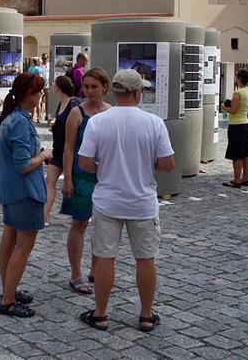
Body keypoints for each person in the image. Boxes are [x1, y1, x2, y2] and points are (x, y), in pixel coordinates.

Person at [76, 69, 175, 332]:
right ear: (137, 92)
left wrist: (103, 168)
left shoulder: (98, 122)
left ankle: (100, 314)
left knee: (105, 258)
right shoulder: (154, 123)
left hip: (108, 200)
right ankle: (146, 315)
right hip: (142, 202)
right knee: (145, 259)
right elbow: (168, 164)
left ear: (114, 91)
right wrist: (149, 163)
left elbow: (84, 162)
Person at [0, 73, 52, 318]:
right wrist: (44, 155)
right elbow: (23, 165)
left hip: (11, 190)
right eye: (39, 92)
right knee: (23, 246)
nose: (41, 96)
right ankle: (8, 300)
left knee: (9, 240)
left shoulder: (11, 118)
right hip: (25, 192)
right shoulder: (19, 122)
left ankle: (8, 289)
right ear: (30, 94)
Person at [60, 67, 111, 295]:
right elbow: (68, 148)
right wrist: (67, 178)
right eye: (86, 87)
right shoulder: (77, 113)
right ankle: (75, 273)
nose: (89, 91)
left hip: (105, 177)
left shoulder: (111, 113)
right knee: (79, 223)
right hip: (81, 177)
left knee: (103, 225)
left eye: (94, 87)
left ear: (105, 87)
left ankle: (95, 269)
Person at [44, 75, 80, 224]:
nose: (53, 86)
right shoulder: (61, 104)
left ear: (58, 87)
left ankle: (81, 214)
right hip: (58, 151)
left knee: (74, 183)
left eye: (54, 84)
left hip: (70, 152)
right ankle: (44, 216)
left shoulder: (74, 103)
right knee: (49, 181)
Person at [221, 69, 248, 188]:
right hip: (245, 123)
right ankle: (245, 178)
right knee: (245, 152)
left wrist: (224, 107)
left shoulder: (237, 93)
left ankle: (236, 180)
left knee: (236, 153)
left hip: (236, 125)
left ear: (239, 78)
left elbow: (233, 110)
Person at [29, 58, 45, 122]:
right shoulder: (37, 69)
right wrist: (41, 89)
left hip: (32, 87)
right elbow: (40, 79)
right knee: (37, 103)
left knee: (34, 103)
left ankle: (33, 117)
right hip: (37, 87)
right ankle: (38, 118)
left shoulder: (31, 68)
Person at [40, 53, 50, 121]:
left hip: (48, 85)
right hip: (41, 85)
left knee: (47, 101)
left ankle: (47, 115)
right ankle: (40, 115)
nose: (44, 59)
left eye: (45, 58)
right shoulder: (40, 66)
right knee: (40, 101)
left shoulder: (49, 65)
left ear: (47, 58)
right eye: (43, 58)